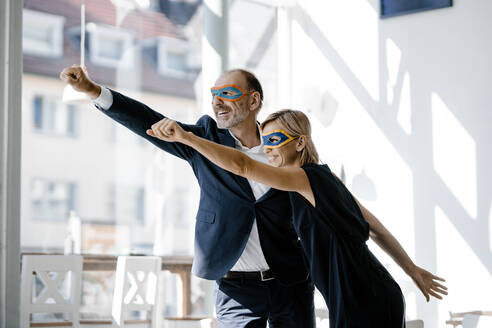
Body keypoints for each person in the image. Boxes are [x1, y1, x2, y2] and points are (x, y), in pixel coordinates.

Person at [59, 67, 316, 327]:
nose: (217, 101)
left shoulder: (280, 145)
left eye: (227, 93)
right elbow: (149, 120)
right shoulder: (201, 139)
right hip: (237, 289)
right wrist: (93, 91)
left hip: (291, 282)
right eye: (214, 94)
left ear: (253, 100)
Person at [146, 109, 448, 328]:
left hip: (363, 299)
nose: (268, 148)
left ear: (300, 143)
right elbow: (376, 229)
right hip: (368, 293)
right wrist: (412, 271)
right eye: (265, 140)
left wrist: (187, 138)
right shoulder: (325, 179)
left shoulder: (305, 178)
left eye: (276, 138)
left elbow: (242, 165)